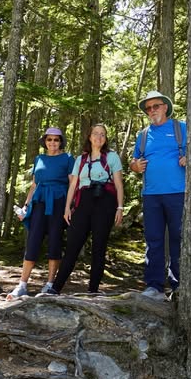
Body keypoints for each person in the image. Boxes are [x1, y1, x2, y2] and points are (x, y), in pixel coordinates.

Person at [48, 123, 125, 295]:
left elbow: (119, 184)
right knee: (73, 245)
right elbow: (73, 184)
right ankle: (56, 288)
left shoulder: (112, 157)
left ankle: (93, 290)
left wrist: (120, 207)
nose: (99, 137)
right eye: (95, 134)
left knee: (99, 246)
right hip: (84, 202)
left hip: (105, 202)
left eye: (103, 134)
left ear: (105, 139)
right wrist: (67, 208)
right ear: (89, 137)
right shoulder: (81, 159)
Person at [129, 90, 186, 298]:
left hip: (178, 193)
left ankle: (178, 285)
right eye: (148, 108)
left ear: (165, 107)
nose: (151, 110)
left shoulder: (181, 128)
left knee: (178, 238)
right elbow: (134, 161)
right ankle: (154, 285)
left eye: (155, 106)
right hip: (151, 194)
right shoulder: (143, 135)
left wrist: (189, 158)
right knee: (153, 239)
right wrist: (135, 166)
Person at [10, 127, 74, 298]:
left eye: (56, 139)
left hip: (58, 202)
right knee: (33, 241)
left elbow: (72, 184)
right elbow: (34, 184)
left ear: (61, 142)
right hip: (39, 202)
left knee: (55, 241)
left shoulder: (67, 158)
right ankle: (22, 284)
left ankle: (50, 285)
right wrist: (25, 206)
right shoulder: (39, 158)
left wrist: (69, 207)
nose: (52, 142)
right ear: (45, 141)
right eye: (49, 139)